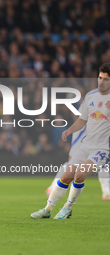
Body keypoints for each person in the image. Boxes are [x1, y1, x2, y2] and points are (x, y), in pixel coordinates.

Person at [31, 63, 110, 219]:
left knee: (79, 174)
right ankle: (47, 209)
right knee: (67, 174)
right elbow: (82, 120)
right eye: (100, 78)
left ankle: (68, 207)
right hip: (85, 145)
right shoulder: (90, 96)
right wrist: (69, 130)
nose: (101, 82)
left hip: (102, 149)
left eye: (106, 79)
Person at [46, 92, 110, 201]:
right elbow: (80, 119)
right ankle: (52, 187)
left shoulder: (92, 101)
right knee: (71, 163)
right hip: (83, 134)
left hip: (97, 136)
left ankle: (106, 191)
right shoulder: (85, 105)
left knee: (104, 164)